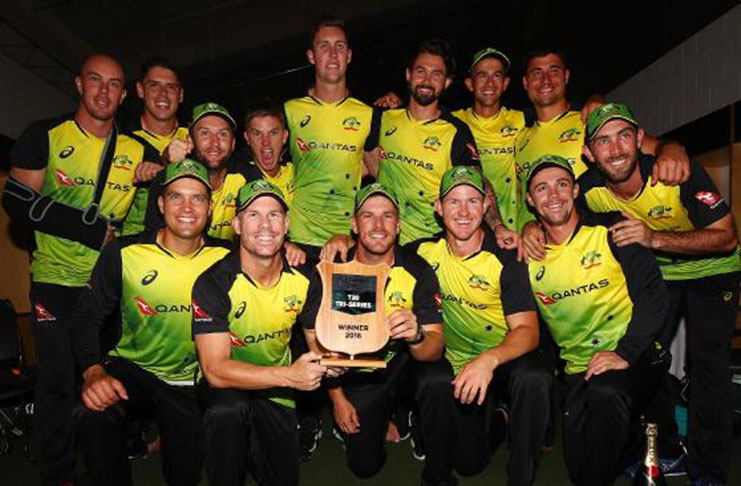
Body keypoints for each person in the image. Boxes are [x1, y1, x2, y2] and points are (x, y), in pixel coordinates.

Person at [1, 54, 159, 486]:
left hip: (110, 287)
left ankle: (116, 455)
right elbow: (16, 201)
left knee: (113, 378)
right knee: (57, 382)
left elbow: (161, 207)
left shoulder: (137, 150)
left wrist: (162, 169)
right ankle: (57, 475)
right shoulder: (45, 136)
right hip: (56, 281)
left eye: (113, 84)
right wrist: (88, 228)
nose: (104, 92)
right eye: (95, 81)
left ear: (125, 94)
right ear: (78, 84)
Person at [576, 104, 739, 485]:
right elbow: (555, 215)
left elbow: (728, 236)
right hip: (659, 279)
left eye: (623, 136)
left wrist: (655, 238)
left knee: (707, 369)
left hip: (714, 274)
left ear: (639, 139)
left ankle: (708, 470)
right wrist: (532, 230)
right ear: (589, 153)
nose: (615, 149)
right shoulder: (589, 190)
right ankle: (664, 450)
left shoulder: (675, 173)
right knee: (646, 361)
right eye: (603, 140)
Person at [70, 159, 229, 486]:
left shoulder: (228, 259)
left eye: (198, 198)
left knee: (184, 474)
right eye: (176, 197)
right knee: (93, 411)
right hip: (136, 370)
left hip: (191, 381)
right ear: (160, 203)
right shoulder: (124, 253)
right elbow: (87, 317)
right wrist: (93, 371)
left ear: (210, 209)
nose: (187, 207)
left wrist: (293, 248)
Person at [524, 153, 669, 485]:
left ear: (576, 190)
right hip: (578, 369)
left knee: (607, 397)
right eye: (542, 189)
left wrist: (625, 352)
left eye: (562, 185)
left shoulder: (613, 230)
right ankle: (634, 439)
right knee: (580, 466)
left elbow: (654, 296)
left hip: (636, 355)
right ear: (531, 201)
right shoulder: (527, 255)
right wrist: (525, 229)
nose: (554, 195)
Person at [409, 166, 549, 486]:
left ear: (486, 206)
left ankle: (521, 477)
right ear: (438, 206)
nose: (462, 212)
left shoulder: (507, 256)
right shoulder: (421, 253)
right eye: (453, 201)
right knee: (469, 463)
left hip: (502, 361)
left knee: (534, 375)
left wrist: (489, 360)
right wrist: (343, 237)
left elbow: (528, 331)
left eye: (472, 201)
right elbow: (375, 253)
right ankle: (501, 417)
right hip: (457, 363)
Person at [191, 179, 328, 486]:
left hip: (277, 393)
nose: (265, 225)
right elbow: (215, 371)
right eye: (253, 215)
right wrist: (290, 377)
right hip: (226, 389)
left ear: (287, 223)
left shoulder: (307, 277)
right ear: (237, 224)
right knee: (230, 411)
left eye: (274, 215)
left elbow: (315, 343)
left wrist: (341, 356)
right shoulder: (213, 283)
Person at [306, 182, 444, 479]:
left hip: (401, 363)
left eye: (387, 216)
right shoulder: (333, 267)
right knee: (364, 466)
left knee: (437, 378)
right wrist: (338, 400)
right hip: (357, 375)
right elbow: (315, 344)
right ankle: (380, 416)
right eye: (368, 216)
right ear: (354, 224)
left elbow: (435, 345)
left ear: (398, 225)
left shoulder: (417, 269)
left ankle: (411, 416)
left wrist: (417, 334)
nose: (378, 225)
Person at [515, 47, 690, 239]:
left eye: (554, 71)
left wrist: (673, 149)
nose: (545, 80)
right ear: (525, 82)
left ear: (566, 76)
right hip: (542, 245)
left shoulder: (591, 120)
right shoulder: (519, 138)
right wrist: (529, 226)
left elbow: (654, 147)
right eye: (537, 73)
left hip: (596, 242)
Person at [374, 39, 516, 248]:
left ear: (447, 82)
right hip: (385, 242)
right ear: (408, 75)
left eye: (436, 74)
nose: (426, 80)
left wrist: (498, 227)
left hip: (432, 245)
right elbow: (365, 160)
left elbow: (478, 183)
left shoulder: (456, 131)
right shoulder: (382, 118)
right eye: (421, 71)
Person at [283, 15, 381, 260]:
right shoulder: (290, 111)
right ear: (311, 56)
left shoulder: (368, 115)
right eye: (323, 46)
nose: (333, 54)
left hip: (347, 241)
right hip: (299, 240)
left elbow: (379, 172)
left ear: (349, 56)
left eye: (340, 46)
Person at [452, 47, 524, 231]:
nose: (490, 83)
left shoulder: (522, 119)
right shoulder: (452, 122)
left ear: (505, 83)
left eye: (497, 75)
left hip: (517, 228)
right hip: (469, 229)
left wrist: (593, 100)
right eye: (482, 75)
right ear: (470, 84)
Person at [121, 57, 188, 236]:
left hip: (186, 245)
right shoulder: (120, 142)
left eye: (171, 87)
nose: (163, 94)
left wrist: (162, 172)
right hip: (134, 245)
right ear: (140, 90)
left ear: (180, 95)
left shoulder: (197, 140)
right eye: (154, 85)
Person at [241, 98, 295, 203]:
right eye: (257, 134)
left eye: (273, 133)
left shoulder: (298, 172)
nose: (266, 142)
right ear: (247, 138)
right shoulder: (239, 181)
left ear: (284, 136)